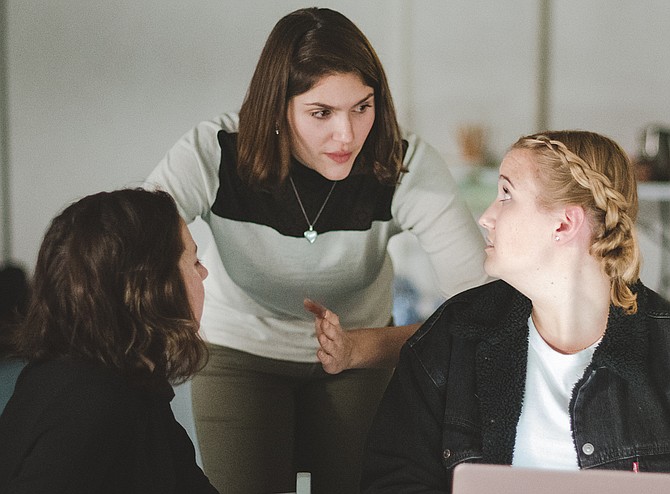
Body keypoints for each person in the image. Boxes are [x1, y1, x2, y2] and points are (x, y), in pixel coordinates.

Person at [145, 7, 488, 493]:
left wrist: (366, 346)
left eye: (362, 107)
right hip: (240, 347)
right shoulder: (214, 152)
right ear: (276, 108)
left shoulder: (403, 161)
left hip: (361, 349)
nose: (346, 135)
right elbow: (132, 238)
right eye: (321, 113)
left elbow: (481, 307)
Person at [360, 130, 670, 492]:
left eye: (506, 194)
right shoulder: (453, 335)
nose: (486, 217)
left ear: (564, 224)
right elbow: (393, 480)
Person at [0, 188, 218, 494]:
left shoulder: (133, 379)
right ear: (151, 283)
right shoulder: (93, 404)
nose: (204, 273)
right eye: (194, 262)